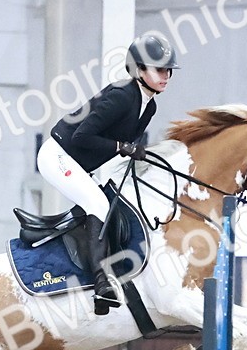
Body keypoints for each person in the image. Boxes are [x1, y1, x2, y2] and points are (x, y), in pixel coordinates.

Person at [38, 34, 178, 314]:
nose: (166, 76)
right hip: (58, 156)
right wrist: (122, 147)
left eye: (168, 70)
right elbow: (81, 136)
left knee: (112, 201)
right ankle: (101, 284)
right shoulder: (122, 96)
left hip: (81, 164)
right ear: (139, 70)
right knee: (99, 204)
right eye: (159, 69)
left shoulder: (148, 105)